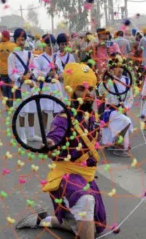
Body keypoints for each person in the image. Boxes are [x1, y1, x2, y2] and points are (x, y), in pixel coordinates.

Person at [15, 63, 107, 239]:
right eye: (82, 89)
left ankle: (44, 220)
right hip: (67, 176)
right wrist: (50, 144)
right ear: (71, 91)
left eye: (91, 89)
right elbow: (54, 138)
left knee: (97, 228)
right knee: (86, 201)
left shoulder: (92, 115)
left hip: (86, 176)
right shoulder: (63, 119)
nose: (88, 94)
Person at [7, 28, 41, 143]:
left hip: (31, 86)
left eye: (23, 39)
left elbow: (36, 68)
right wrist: (21, 78)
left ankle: (31, 135)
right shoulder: (12, 56)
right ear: (15, 41)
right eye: (19, 39)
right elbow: (11, 72)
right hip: (20, 87)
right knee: (22, 111)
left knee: (32, 110)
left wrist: (32, 75)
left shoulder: (30, 54)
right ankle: (23, 136)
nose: (21, 42)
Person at [98, 55, 133, 156]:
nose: (120, 69)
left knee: (125, 121)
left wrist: (126, 108)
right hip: (111, 111)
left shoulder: (127, 80)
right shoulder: (108, 81)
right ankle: (118, 145)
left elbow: (130, 97)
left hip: (122, 109)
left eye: (121, 67)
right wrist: (105, 78)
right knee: (126, 121)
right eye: (117, 67)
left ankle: (117, 143)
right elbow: (101, 91)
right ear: (112, 69)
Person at [34, 34, 64, 131]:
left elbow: (61, 71)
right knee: (45, 111)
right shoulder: (40, 58)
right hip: (46, 86)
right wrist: (47, 73)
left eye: (53, 44)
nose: (51, 47)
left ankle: (56, 132)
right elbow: (36, 73)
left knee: (57, 111)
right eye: (48, 45)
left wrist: (59, 73)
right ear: (44, 45)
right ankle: (44, 133)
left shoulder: (56, 57)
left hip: (56, 86)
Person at [0, 30, 16, 110]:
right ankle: (11, 105)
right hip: (11, 72)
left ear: (4, 36)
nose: (0, 37)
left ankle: (8, 106)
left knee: (5, 90)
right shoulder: (13, 46)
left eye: (1, 35)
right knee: (11, 89)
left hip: (3, 72)